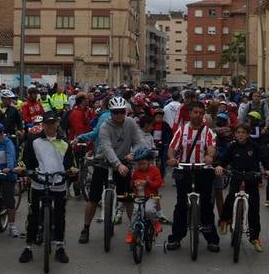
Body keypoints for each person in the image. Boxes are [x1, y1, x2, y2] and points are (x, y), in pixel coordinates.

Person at [80, 97, 148, 244]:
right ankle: (85, 228)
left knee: (127, 198)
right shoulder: (105, 125)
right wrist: (117, 164)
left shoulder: (131, 123)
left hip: (124, 162)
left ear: (126, 111)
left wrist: (134, 153)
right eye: (116, 112)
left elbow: (139, 141)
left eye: (122, 112)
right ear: (111, 113)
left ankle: (134, 228)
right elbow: (106, 147)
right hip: (104, 162)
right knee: (93, 198)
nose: (119, 115)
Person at [17, 112, 76, 264]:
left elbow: (71, 163)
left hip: (58, 183)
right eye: (47, 123)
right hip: (38, 182)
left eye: (53, 123)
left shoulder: (64, 142)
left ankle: (59, 247)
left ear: (57, 124)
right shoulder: (33, 141)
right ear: (43, 125)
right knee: (33, 215)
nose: (50, 126)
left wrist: (73, 170)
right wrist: (22, 168)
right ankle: (28, 247)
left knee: (59, 216)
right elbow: (24, 159)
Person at [166, 102, 220, 252]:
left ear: (203, 115)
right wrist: (171, 158)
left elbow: (211, 148)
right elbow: (172, 148)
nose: (198, 115)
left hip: (203, 170)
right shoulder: (181, 130)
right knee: (181, 205)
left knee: (207, 206)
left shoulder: (208, 131)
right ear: (190, 114)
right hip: (184, 171)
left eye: (200, 113)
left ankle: (211, 239)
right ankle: (176, 238)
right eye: (195, 112)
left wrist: (210, 156)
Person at [216, 123, 269, 252]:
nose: (240, 135)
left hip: (252, 178)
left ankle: (254, 238)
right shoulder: (232, 147)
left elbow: (265, 159)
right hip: (236, 177)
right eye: (238, 132)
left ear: (248, 134)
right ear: (235, 134)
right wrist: (219, 166)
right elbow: (223, 160)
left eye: (243, 132)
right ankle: (224, 220)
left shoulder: (255, 147)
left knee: (254, 209)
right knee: (229, 198)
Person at [128, 146, 164, 242]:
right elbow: (131, 185)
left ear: (149, 162)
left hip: (151, 196)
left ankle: (155, 222)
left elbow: (159, 183)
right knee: (135, 214)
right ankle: (131, 232)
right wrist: (133, 183)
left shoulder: (154, 170)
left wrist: (148, 182)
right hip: (139, 196)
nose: (141, 166)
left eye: (143, 164)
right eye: (139, 164)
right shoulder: (136, 172)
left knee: (149, 210)